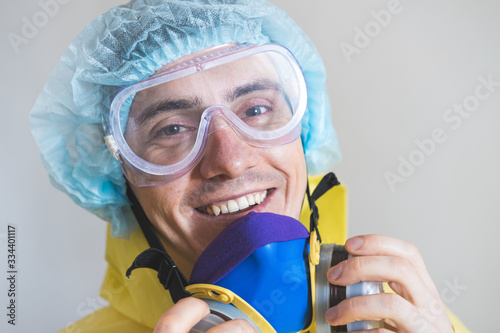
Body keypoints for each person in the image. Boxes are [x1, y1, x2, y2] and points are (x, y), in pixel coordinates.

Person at [30, 0, 470, 332]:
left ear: (305, 128)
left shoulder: (408, 316)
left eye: (257, 109)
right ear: (120, 171)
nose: (231, 160)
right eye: (172, 130)